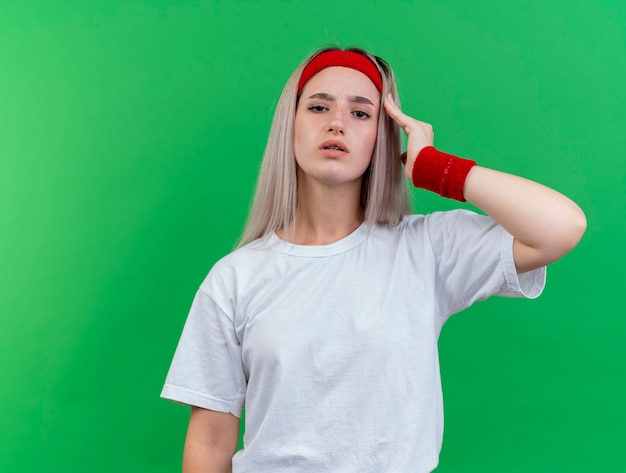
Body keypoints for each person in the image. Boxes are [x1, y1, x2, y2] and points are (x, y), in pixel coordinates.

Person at [161, 47, 586, 473]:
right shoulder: (234, 278)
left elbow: (562, 227)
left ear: (382, 138)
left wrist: (438, 169)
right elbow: (211, 441)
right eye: (318, 106)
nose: (336, 122)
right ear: (288, 126)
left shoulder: (426, 249)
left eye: (361, 113)